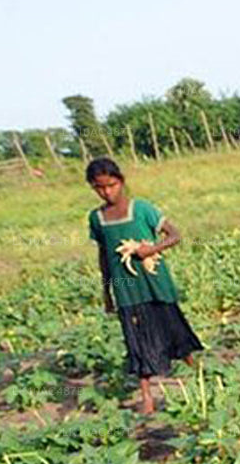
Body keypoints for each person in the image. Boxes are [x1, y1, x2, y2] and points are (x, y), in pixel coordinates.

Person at [85, 157, 202, 414]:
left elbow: (175, 235)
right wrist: (106, 291)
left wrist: (151, 248)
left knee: (172, 326)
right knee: (136, 339)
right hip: (127, 289)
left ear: (121, 181)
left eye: (111, 185)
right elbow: (104, 256)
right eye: (99, 187)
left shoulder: (142, 209)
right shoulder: (97, 218)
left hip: (154, 282)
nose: (107, 192)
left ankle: (198, 370)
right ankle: (146, 396)